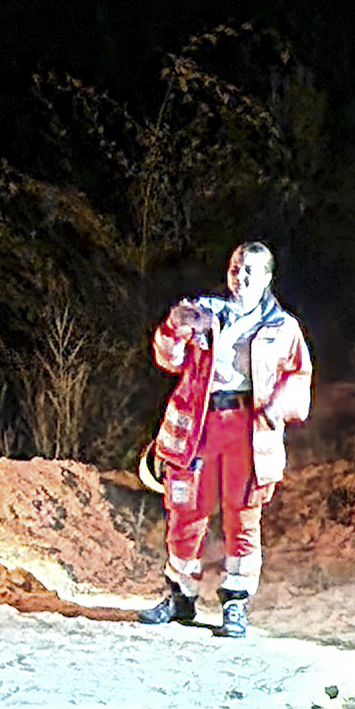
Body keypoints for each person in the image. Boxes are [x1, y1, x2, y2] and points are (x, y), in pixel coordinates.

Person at [136, 242, 313, 638]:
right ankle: (180, 595)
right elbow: (168, 358)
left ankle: (235, 603)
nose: (241, 278)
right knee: (186, 512)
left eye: (251, 271)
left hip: (248, 429)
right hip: (198, 425)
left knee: (242, 517)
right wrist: (176, 326)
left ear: (267, 278)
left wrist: (277, 407)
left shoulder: (282, 328)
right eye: (236, 269)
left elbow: (299, 378)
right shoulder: (204, 313)